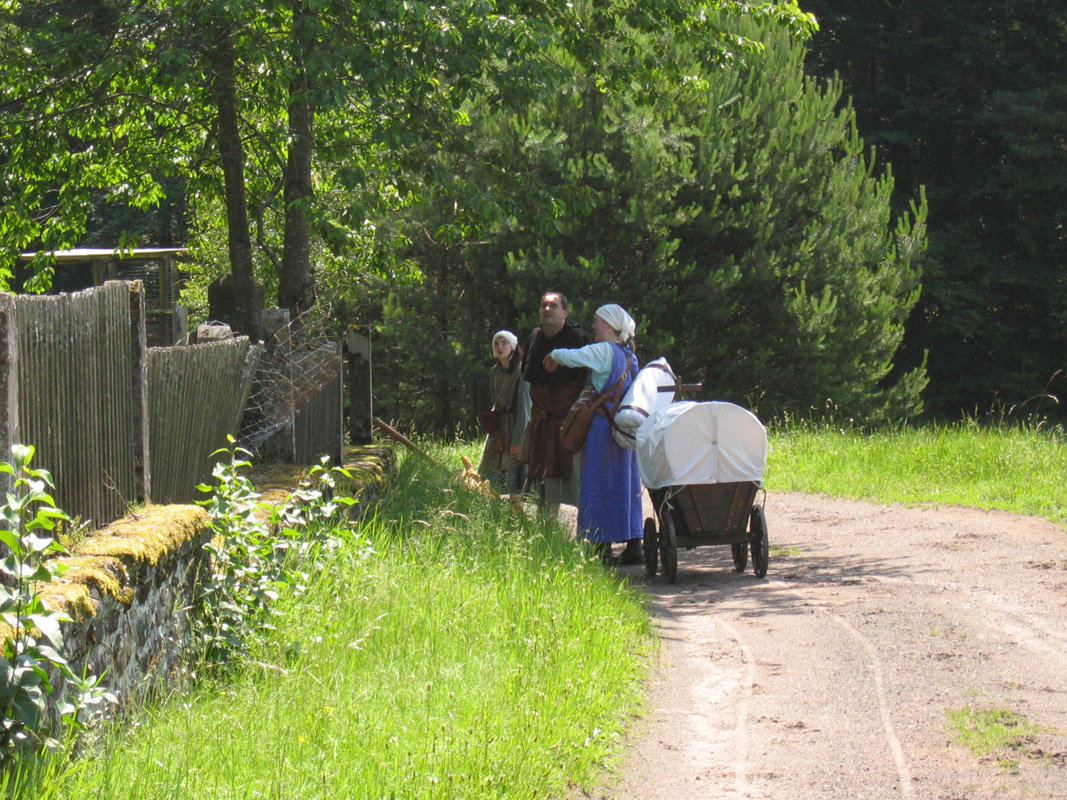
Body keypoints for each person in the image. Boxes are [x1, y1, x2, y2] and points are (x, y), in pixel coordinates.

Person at [543, 303, 644, 565]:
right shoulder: (629, 354)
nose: (594, 326)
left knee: (598, 482)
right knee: (627, 483)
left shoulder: (604, 350)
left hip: (603, 426)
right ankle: (635, 544)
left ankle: (601, 547)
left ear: (608, 324)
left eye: (598, 321)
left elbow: (574, 357)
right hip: (624, 428)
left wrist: (553, 353)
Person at [520, 291, 594, 515]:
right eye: (543, 305)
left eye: (553, 306)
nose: (547, 309)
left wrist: (578, 417)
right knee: (542, 486)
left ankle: (586, 531)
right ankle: (546, 529)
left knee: (577, 484)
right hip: (542, 425)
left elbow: (590, 382)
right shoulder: (535, 338)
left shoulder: (579, 339)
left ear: (565, 313)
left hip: (569, 427)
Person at [476, 330, 530, 502]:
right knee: (489, 469)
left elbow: (524, 410)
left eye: (504, 343)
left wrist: (517, 440)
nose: (500, 347)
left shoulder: (521, 372)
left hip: (514, 426)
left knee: (514, 470)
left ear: (512, 346)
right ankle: (494, 509)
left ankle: (516, 508)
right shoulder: (495, 371)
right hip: (499, 427)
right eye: (496, 343)